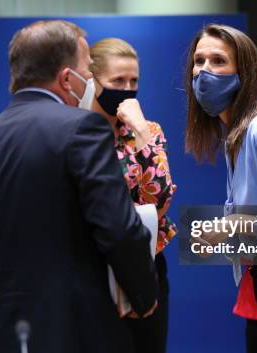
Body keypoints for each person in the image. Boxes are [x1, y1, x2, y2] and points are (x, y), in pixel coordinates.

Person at [0, 20, 158, 353]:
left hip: (2, 332)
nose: (88, 79)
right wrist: (144, 295)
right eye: (86, 72)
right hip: (77, 331)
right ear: (66, 78)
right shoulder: (83, 128)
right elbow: (118, 228)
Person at [183, 24, 257, 353]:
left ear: (245, 73)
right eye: (199, 61)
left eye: (219, 61)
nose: (204, 72)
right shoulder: (237, 136)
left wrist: (234, 225)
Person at [89, 37, 177, 353]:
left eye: (134, 81)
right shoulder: (75, 132)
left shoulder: (148, 130)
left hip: (146, 260)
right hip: (94, 266)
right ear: (93, 81)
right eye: (117, 81)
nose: (127, 89)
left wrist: (140, 133)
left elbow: (161, 201)